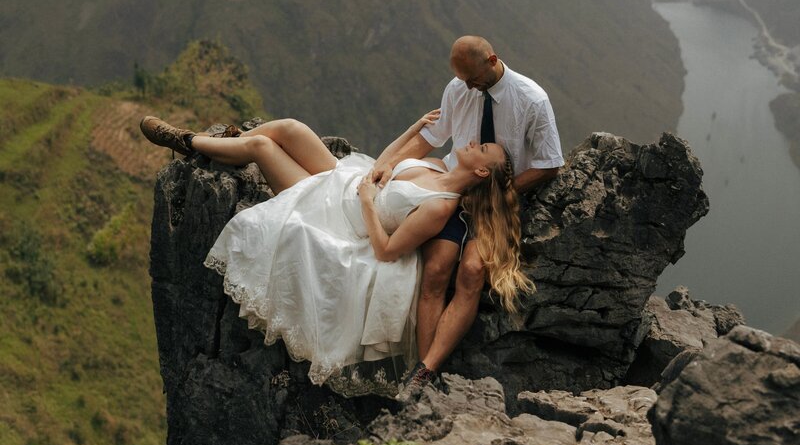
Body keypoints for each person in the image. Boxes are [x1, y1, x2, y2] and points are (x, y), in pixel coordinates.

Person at [139, 109, 531, 396]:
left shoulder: (441, 206)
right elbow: (384, 165)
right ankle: (221, 143)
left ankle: (185, 141)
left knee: (261, 145)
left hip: (336, 214)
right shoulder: (431, 165)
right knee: (292, 128)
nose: (473, 142)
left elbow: (387, 250)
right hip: (341, 182)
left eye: (482, 149)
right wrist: (414, 128)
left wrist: (365, 201)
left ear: (481, 172)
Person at [371, 35, 564, 396]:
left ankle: (426, 369)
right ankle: (423, 375)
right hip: (451, 188)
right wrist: (388, 165)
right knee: (436, 270)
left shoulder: (532, 99)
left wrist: (500, 195)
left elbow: (549, 164)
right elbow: (432, 136)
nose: (468, 86)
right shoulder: (459, 87)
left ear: (492, 60)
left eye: (472, 78)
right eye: (461, 79)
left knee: (472, 271)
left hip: (496, 203)